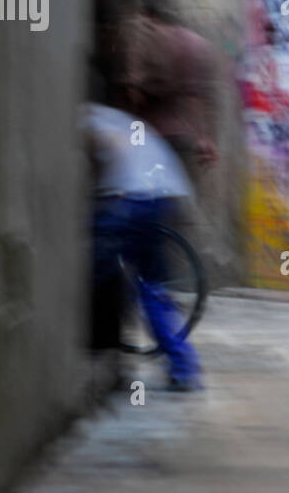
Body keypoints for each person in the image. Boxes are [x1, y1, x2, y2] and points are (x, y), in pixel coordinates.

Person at [86, 102, 203, 391]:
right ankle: (183, 366)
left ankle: (102, 330)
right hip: (163, 195)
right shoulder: (118, 118)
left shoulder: (89, 119)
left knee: (97, 257)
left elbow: (116, 148)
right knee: (152, 286)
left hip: (138, 197)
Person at [126, 0, 220, 170]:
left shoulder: (146, 39)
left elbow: (135, 94)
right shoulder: (199, 44)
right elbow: (209, 98)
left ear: (150, 15)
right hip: (189, 139)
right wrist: (208, 139)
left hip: (152, 133)